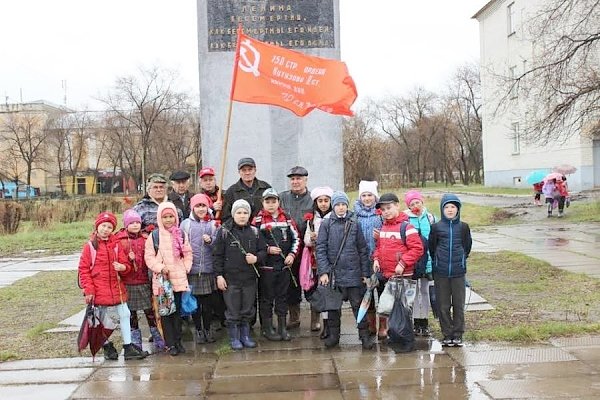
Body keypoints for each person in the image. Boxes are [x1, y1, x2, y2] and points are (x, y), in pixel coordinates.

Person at [78, 211, 147, 360]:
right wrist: (89, 289)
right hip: (98, 290)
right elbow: (83, 270)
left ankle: (128, 346)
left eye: (109, 227)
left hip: (117, 289)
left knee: (125, 314)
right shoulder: (90, 247)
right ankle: (107, 346)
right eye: (103, 226)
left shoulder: (116, 245)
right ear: (97, 226)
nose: (106, 229)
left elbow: (126, 265)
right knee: (102, 320)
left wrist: (123, 267)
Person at [316, 191, 374, 350]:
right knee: (334, 307)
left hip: (353, 273)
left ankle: (364, 335)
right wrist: (324, 272)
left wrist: (365, 273)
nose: (341, 208)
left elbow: (362, 249)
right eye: (337, 205)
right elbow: (320, 248)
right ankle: (334, 336)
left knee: (359, 306)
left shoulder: (355, 223)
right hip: (334, 275)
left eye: (343, 205)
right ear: (333, 207)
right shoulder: (327, 224)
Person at [372, 193, 424, 351]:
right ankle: (396, 339)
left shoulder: (406, 227)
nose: (386, 211)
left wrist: (403, 262)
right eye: (383, 209)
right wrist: (376, 259)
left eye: (389, 208)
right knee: (393, 311)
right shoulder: (384, 227)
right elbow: (380, 248)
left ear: (397, 206)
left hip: (404, 277)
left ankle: (407, 343)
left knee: (403, 311)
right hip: (389, 276)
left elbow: (417, 248)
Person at [214, 199, 267, 350]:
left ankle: (245, 334)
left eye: (245, 213)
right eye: (239, 212)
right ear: (233, 214)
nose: (242, 216)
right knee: (233, 309)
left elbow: (263, 251)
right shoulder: (224, 232)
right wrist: (219, 276)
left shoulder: (255, 232)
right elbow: (217, 255)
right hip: (231, 279)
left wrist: (256, 258)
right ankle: (234, 336)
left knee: (247, 308)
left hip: (249, 279)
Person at [144, 202, 193, 356]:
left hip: (178, 279)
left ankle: (178, 341)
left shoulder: (181, 234)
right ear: (160, 218)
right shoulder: (155, 236)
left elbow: (188, 253)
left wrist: (185, 268)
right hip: (162, 282)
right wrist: (160, 268)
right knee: (166, 313)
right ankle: (170, 343)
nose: (168, 220)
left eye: (171, 216)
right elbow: (149, 257)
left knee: (178, 312)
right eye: (165, 217)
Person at [253, 188, 300, 341]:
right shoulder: (258, 221)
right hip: (266, 268)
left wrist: (292, 255)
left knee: (282, 297)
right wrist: (267, 249)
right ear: (263, 203)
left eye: (274, 201)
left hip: (284, 266)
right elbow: (252, 242)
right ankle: (267, 328)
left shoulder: (286, 218)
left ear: (278, 202)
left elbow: (296, 239)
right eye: (268, 201)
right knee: (266, 298)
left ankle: (282, 327)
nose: (271, 205)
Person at [115, 209, 164, 354]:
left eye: (137, 222)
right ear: (126, 224)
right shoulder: (120, 240)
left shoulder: (145, 238)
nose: (135, 225)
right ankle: (135, 341)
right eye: (132, 223)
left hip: (144, 281)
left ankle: (157, 336)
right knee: (131, 314)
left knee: (150, 311)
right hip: (128, 283)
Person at [428, 193, 472, 347]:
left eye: (453, 207)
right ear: (442, 209)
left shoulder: (464, 227)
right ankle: (447, 334)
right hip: (441, 273)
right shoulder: (436, 227)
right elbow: (432, 248)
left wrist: (460, 259)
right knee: (443, 305)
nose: (450, 210)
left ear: (458, 209)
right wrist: (439, 261)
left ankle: (458, 333)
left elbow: (467, 247)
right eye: (447, 207)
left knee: (458, 305)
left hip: (458, 272)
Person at [180, 194, 219, 344]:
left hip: (208, 270)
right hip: (192, 271)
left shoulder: (213, 225)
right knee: (194, 304)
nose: (201, 209)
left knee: (208, 304)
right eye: (198, 206)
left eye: (203, 206)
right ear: (192, 208)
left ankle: (208, 328)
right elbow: (180, 245)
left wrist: (211, 241)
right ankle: (198, 329)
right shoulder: (186, 225)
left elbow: (219, 246)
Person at [279, 166, 313, 329]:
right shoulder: (282, 198)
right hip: (289, 249)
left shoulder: (313, 199)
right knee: (292, 285)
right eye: (292, 179)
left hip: (308, 250)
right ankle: (294, 316)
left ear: (306, 180)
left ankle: (316, 317)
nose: (295, 181)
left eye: (299, 178)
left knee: (311, 283)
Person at [402, 190, 436, 337]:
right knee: (414, 293)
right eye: (412, 204)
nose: (416, 206)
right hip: (414, 262)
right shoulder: (405, 220)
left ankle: (425, 321)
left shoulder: (430, 217)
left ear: (422, 202)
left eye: (417, 202)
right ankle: (416, 321)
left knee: (425, 291)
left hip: (428, 260)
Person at [354, 180, 383, 336]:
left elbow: (390, 232)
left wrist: (381, 236)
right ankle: (371, 324)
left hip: (380, 259)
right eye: (364, 195)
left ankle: (384, 325)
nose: (367, 198)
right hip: (363, 260)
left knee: (382, 290)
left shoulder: (380, 214)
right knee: (367, 292)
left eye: (370, 195)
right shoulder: (355, 215)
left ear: (375, 196)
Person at [303, 186, 334, 335]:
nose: (323, 204)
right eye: (320, 201)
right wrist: (311, 239)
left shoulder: (333, 217)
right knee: (316, 291)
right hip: (315, 261)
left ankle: (328, 324)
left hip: (330, 261)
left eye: (326, 200)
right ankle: (318, 319)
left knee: (328, 292)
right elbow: (306, 240)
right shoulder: (312, 220)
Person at [222, 157, 271, 223]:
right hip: (242, 230)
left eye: (250, 169)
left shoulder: (265, 188)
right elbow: (226, 216)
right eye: (244, 170)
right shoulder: (231, 192)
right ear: (239, 172)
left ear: (255, 170)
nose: (247, 173)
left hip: (264, 227)